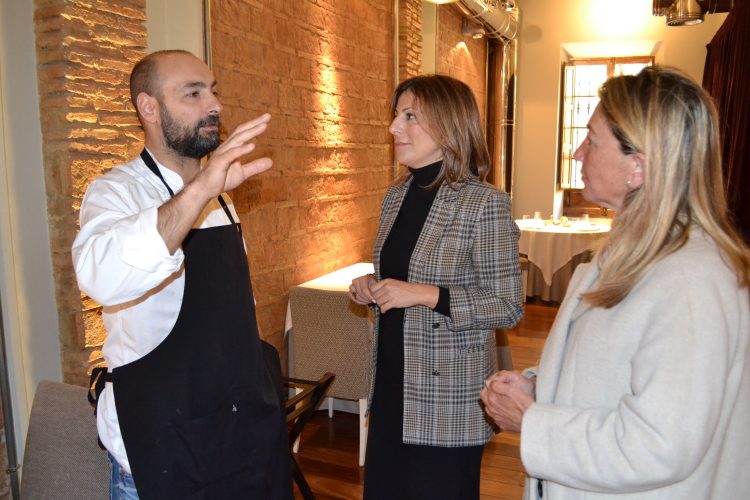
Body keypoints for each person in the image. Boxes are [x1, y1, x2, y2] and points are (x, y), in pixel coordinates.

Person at [481, 66, 750, 499]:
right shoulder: (634, 252)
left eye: (592, 139)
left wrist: (533, 421)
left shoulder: (691, 280)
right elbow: (616, 372)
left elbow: (659, 445)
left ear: (638, 168)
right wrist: (538, 384)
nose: (577, 153)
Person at [72, 50, 293, 499]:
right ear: (149, 108)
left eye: (213, 91)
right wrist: (201, 190)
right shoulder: (116, 192)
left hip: (237, 441)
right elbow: (100, 275)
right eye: (193, 93)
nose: (214, 105)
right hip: (161, 451)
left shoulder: (223, 199)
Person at [349, 74, 523, 499]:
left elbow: (507, 306)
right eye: (395, 116)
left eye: (409, 116)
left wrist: (425, 294)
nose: (394, 127)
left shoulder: (484, 202)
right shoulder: (396, 195)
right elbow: (399, 277)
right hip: (392, 383)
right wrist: (372, 288)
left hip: (447, 394)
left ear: (449, 124)